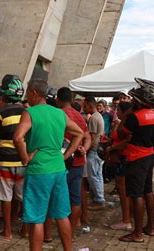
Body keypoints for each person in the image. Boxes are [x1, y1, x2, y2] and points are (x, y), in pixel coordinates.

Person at [13, 79, 83, 251]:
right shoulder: (59, 113)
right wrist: (66, 155)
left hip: (38, 171)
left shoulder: (30, 113)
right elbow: (79, 133)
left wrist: (25, 158)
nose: (26, 95)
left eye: (27, 92)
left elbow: (17, 137)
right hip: (58, 169)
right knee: (61, 215)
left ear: (34, 93)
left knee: (36, 218)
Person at [118, 78, 154, 243]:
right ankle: (149, 228)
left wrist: (126, 116)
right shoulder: (153, 114)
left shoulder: (135, 117)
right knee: (148, 191)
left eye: (135, 99)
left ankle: (137, 234)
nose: (133, 101)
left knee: (136, 195)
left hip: (137, 157)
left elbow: (121, 134)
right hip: (149, 155)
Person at [0, 75, 26, 241]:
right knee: (23, 196)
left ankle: (7, 231)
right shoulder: (27, 112)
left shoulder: (0, 113)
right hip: (23, 160)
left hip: (4, 161)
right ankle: (25, 229)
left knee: (6, 197)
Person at [56, 87, 92, 234]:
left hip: (61, 162)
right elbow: (88, 137)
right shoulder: (79, 116)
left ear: (58, 100)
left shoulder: (58, 114)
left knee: (59, 198)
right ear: (71, 100)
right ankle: (70, 230)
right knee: (75, 197)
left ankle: (58, 230)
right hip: (78, 162)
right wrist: (85, 149)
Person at [107, 101, 133, 230]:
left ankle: (126, 220)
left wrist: (112, 147)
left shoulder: (128, 125)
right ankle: (129, 216)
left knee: (124, 191)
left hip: (124, 158)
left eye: (118, 110)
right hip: (122, 158)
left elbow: (126, 141)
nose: (116, 112)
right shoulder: (122, 123)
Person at [83, 96, 106, 210]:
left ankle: (99, 200)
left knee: (93, 176)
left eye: (85, 105)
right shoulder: (99, 116)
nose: (84, 107)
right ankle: (99, 198)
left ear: (89, 104)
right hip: (99, 149)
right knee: (98, 175)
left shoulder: (93, 118)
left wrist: (86, 150)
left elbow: (91, 138)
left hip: (94, 150)